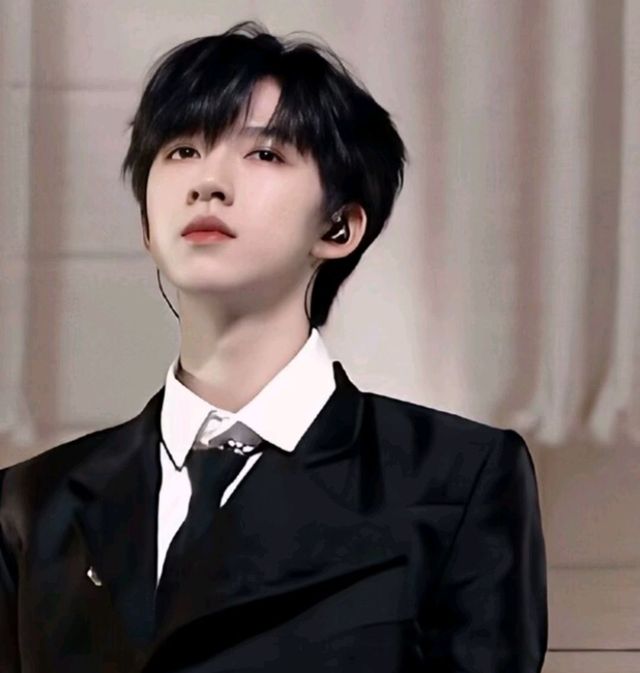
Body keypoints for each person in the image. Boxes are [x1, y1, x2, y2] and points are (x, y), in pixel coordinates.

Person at [0, 20, 547, 672]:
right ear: (147, 223)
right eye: (181, 150)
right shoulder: (33, 503)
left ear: (339, 227)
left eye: (264, 154)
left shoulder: (458, 479)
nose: (208, 181)